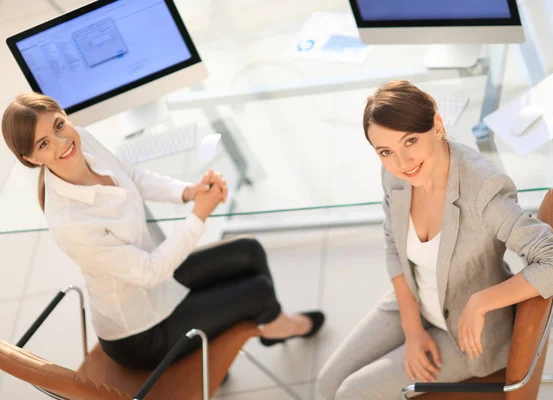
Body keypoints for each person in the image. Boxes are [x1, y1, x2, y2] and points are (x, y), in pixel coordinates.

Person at [1, 93, 325, 370]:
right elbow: (149, 271)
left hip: (161, 282)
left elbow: (130, 176)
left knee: (248, 251)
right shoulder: (70, 224)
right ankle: (274, 325)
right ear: (30, 159)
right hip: (142, 333)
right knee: (255, 291)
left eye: (59, 125)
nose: (62, 142)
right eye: (44, 143)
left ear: (65, 116)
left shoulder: (81, 140)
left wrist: (189, 192)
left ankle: (267, 323)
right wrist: (199, 216)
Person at [317, 80, 553, 399]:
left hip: (465, 337)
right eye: (386, 151)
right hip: (413, 301)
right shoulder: (394, 176)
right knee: (326, 385)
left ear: (437, 126)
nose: (402, 162)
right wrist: (412, 331)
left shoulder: (482, 191)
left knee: (351, 394)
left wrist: (481, 302)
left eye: (410, 141)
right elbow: (393, 245)